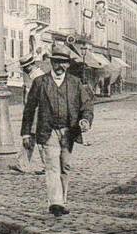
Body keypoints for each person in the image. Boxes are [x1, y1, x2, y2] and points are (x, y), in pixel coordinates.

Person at [20, 42, 94, 217]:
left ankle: (63, 199)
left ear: (68, 64)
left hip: (69, 131)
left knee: (65, 166)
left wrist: (85, 120)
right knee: (52, 166)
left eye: (63, 62)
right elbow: (29, 108)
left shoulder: (75, 83)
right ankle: (56, 202)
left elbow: (87, 106)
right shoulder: (40, 82)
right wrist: (25, 133)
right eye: (56, 62)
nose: (59, 66)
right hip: (48, 131)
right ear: (51, 63)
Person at [10, 53, 46, 174]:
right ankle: (22, 163)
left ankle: (48, 166)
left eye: (26, 67)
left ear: (32, 65)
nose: (25, 69)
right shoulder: (32, 76)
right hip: (33, 110)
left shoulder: (39, 77)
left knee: (39, 138)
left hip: (39, 111)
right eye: (24, 67)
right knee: (30, 137)